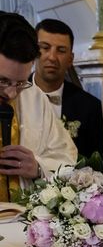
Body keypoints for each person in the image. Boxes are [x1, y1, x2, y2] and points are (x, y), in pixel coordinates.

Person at [0, 12, 77, 200]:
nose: (11, 93)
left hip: (21, 221)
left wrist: (37, 168)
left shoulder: (34, 97)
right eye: (2, 81)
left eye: (19, 82)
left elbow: (65, 157)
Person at [33, 19, 103, 159]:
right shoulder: (13, 96)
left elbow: (93, 166)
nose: (52, 57)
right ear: (33, 51)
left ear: (70, 59)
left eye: (61, 50)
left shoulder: (89, 107)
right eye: (45, 47)